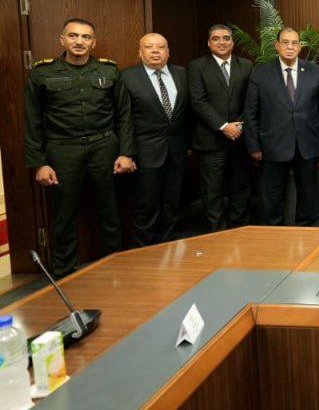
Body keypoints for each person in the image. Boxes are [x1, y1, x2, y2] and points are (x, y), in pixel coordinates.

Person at [23, 18, 135, 276]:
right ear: (62, 40)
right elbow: (32, 121)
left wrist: (126, 153)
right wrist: (39, 163)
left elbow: (124, 114)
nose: (79, 42)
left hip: (104, 147)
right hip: (63, 150)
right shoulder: (42, 73)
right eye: (73, 36)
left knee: (110, 210)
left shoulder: (109, 70)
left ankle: (115, 265)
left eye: (86, 37)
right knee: (64, 215)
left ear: (93, 43)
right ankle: (64, 272)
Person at [244, 27, 319, 226]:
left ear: (300, 47)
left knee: (308, 197)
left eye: (294, 43)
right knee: (272, 199)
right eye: (285, 42)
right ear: (277, 45)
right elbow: (251, 112)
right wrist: (254, 146)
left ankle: (306, 232)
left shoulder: (315, 71)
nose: (290, 47)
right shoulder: (260, 73)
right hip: (272, 146)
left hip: (307, 144)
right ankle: (275, 235)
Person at [120, 33, 189, 246]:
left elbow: (188, 112)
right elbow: (123, 118)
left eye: (161, 47)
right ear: (140, 53)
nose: (155, 51)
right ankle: (144, 250)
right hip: (145, 152)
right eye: (149, 47)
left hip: (177, 151)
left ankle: (169, 247)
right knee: (146, 206)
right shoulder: (126, 77)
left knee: (172, 204)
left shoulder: (182, 73)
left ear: (168, 52)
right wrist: (126, 153)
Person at [187, 25, 254, 232]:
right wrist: (223, 126)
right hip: (210, 140)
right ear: (209, 43)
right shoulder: (196, 66)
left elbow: (251, 100)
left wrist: (238, 124)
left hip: (240, 138)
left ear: (232, 42)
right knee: (212, 191)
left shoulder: (247, 65)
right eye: (216, 38)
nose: (221, 42)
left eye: (226, 38)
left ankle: (239, 229)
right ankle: (217, 232)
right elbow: (198, 101)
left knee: (240, 187)